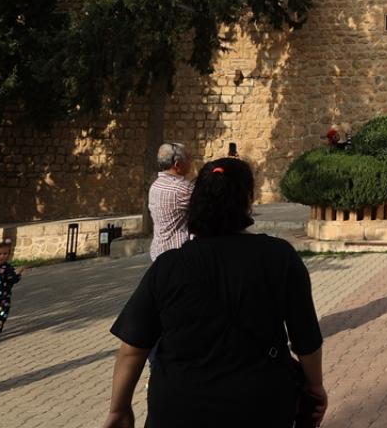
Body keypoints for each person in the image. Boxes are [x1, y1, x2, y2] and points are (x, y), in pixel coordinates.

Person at [103, 158, 327, 428]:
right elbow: (306, 338)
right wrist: (315, 386)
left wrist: (119, 410)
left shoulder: (168, 266)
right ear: (248, 200)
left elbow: (133, 349)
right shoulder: (280, 257)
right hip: (260, 404)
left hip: (179, 408)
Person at [149, 142, 194, 261]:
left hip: (158, 252)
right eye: (188, 159)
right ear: (177, 164)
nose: (191, 162)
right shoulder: (182, 188)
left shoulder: (155, 185)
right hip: (177, 254)